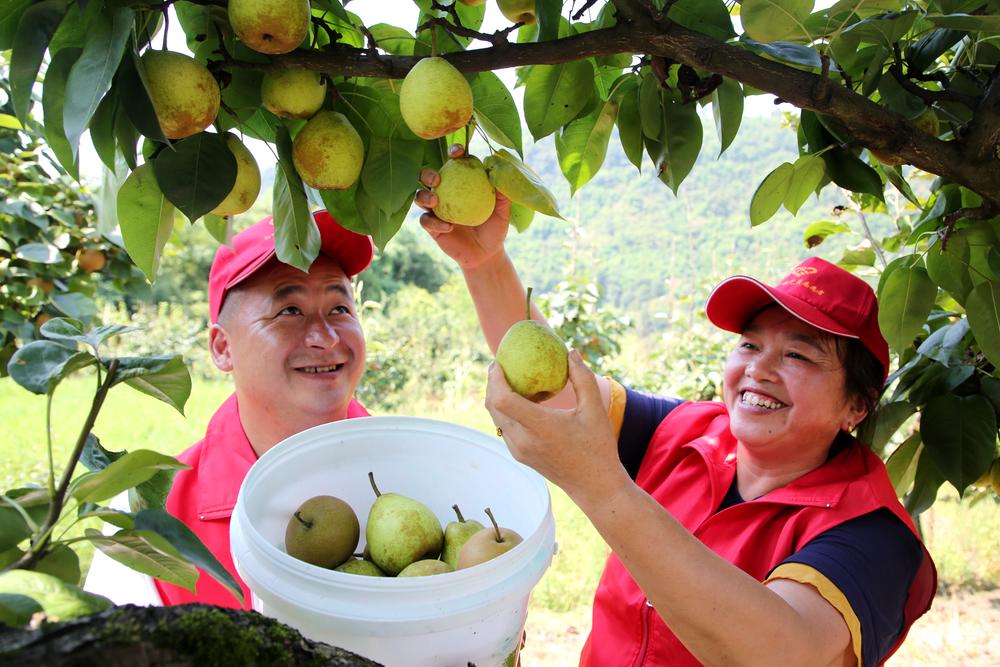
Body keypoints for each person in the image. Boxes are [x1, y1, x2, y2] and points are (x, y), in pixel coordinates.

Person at [416, 147, 937, 666]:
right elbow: (553, 387)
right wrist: (484, 263)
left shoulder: (873, 532)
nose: (759, 368)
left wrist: (602, 487)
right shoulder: (686, 434)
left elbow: (783, 650)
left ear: (858, 406)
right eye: (750, 345)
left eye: (798, 354)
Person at [84, 210, 374, 609]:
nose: (325, 337)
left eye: (340, 309)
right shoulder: (151, 515)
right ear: (222, 348)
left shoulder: (421, 475)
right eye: (290, 311)